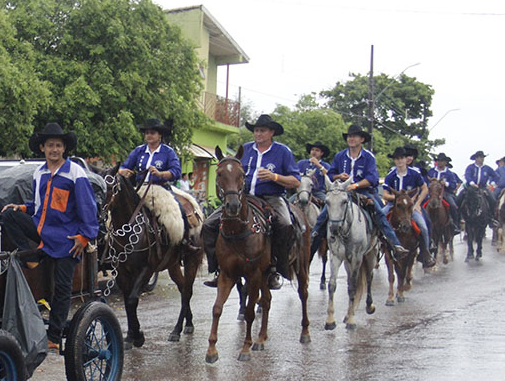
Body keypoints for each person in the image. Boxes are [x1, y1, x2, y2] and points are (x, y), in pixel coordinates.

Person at [1, 122, 99, 351]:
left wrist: (84, 237)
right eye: (49, 146)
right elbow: (37, 206)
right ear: (42, 148)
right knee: (9, 216)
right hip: (42, 229)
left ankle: (54, 337)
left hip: (66, 238)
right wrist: (22, 208)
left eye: (58, 145)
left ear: (64, 148)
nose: (54, 150)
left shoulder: (75, 172)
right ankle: (31, 258)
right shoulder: (39, 172)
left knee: (62, 288)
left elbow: (87, 206)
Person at [202, 114, 300, 290]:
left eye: (262, 130)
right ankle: (217, 268)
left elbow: (296, 181)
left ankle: (276, 268)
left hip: (271, 197)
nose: (258, 134)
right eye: (256, 130)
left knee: (285, 224)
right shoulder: (244, 150)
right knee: (209, 224)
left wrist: (274, 176)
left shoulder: (283, 152)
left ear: (271, 132)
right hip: (243, 198)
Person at [310, 124, 408, 260]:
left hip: (363, 192)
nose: (351, 139)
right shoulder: (340, 156)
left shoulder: (368, 157)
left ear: (361, 139)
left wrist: (355, 185)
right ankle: (311, 245)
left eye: (354, 136)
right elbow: (331, 174)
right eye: (349, 136)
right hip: (342, 192)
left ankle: (394, 245)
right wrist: (339, 177)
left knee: (379, 213)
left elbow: (372, 178)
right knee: (324, 215)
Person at [119, 117, 190, 241]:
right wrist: (122, 171)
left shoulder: (168, 152)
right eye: (147, 133)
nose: (149, 135)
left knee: (180, 211)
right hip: (139, 189)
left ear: (159, 135)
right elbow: (123, 166)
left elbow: (176, 171)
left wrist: (161, 174)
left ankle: (184, 243)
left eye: (152, 133)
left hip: (161, 189)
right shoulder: (139, 150)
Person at [382, 147, 435, 267]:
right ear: (394, 161)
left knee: (423, 226)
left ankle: (425, 253)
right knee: (378, 219)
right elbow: (385, 194)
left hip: (410, 207)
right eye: (397, 159)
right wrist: (398, 198)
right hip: (393, 205)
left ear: (406, 159)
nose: (399, 161)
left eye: (401, 158)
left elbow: (425, 188)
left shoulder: (414, 174)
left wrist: (417, 204)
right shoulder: (390, 175)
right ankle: (376, 249)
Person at [455, 150, 499, 228]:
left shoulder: (487, 168)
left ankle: (491, 218)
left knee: (492, 200)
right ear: (475, 158)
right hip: (471, 187)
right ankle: (458, 218)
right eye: (479, 157)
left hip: (483, 187)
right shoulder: (470, 167)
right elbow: (467, 176)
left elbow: (496, 176)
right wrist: (472, 183)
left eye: (482, 157)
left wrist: (492, 184)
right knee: (458, 199)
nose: (481, 159)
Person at [426, 152, 462, 232]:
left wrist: (445, 183)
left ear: (445, 162)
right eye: (438, 161)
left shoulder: (449, 173)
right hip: (431, 193)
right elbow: (425, 181)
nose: (440, 162)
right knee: (422, 204)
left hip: (445, 193)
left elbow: (453, 185)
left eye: (442, 161)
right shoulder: (431, 171)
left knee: (452, 205)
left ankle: (455, 224)